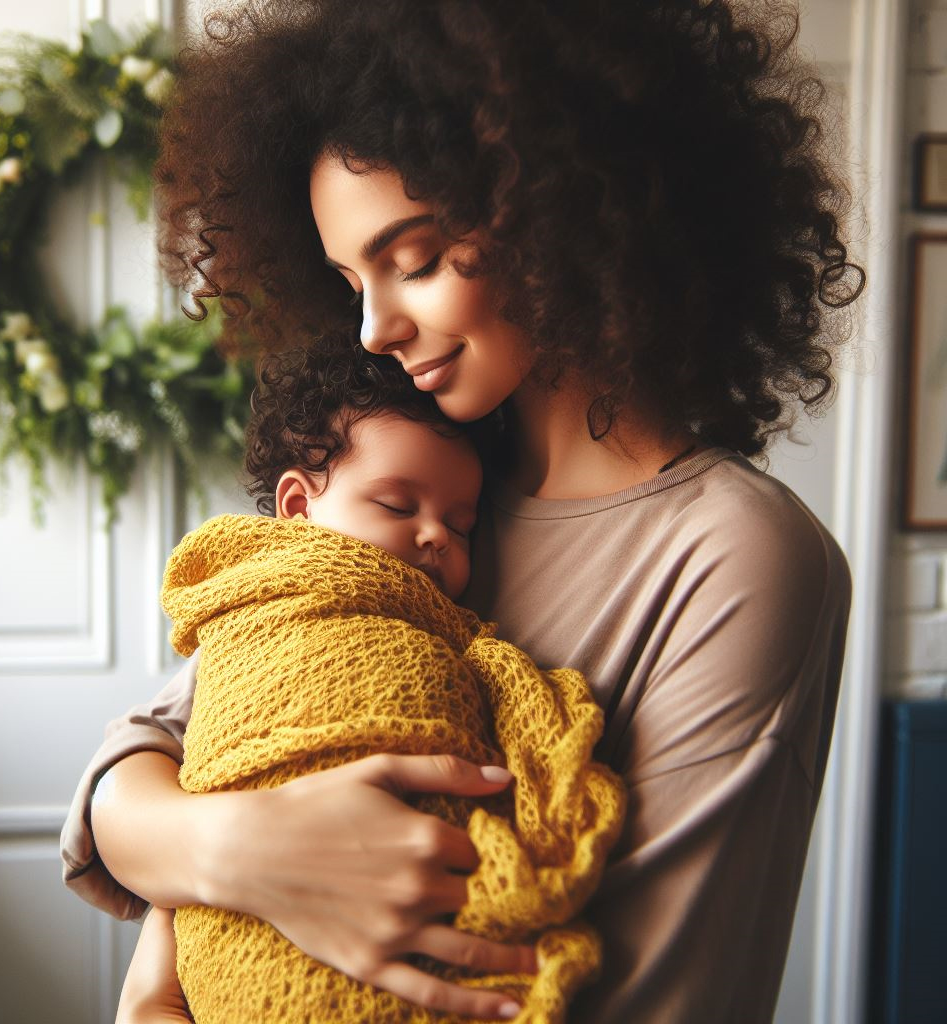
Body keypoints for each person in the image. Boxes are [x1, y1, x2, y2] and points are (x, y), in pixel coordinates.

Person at [61, 1, 864, 1020]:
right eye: (350, 278)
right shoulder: (422, 484)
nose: (373, 326)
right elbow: (134, 767)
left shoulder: (732, 557)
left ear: (568, 212)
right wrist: (244, 853)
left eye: (418, 258)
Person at [130, 337, 624, 1023]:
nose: (437, 539)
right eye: (398, 506)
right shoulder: (251, 614)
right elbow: (149, 762)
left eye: (461, 523)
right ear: (299, 507)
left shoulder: (451, 629)